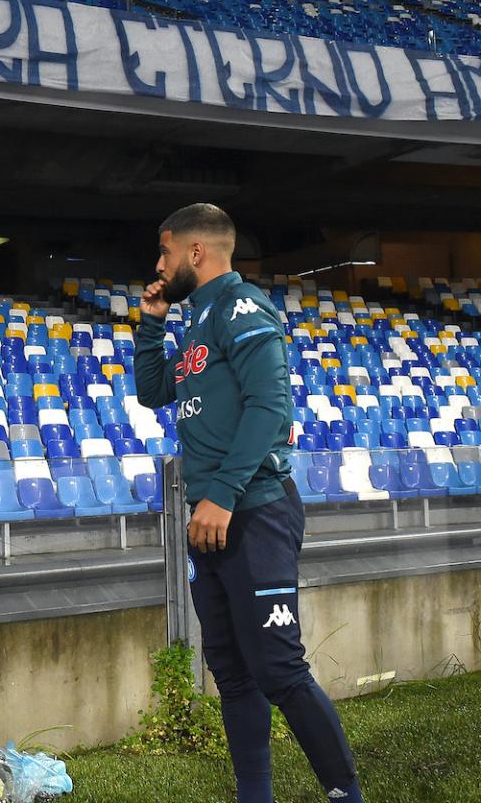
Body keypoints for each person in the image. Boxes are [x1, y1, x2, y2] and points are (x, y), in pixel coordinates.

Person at [136, 203, 363, 803]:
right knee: (234, 677)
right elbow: (154, 391)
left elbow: (271, 407)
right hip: (214, 516)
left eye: (163, 253)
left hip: (253, 509)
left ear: (194, 253)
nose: (157, 265)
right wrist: (153, 322)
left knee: (279, 670)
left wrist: (223, 495)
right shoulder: (195, 323)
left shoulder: (241, 308)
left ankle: (347, 794)